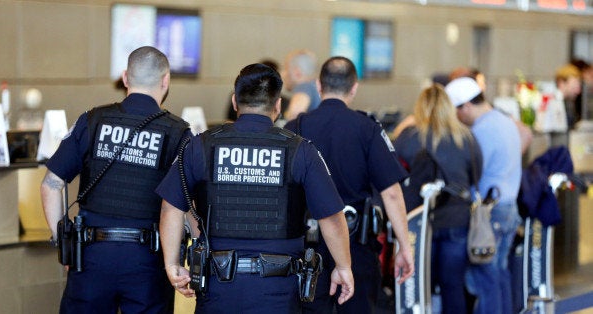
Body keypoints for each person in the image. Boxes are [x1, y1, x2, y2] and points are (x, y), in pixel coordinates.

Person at [156, 63, 354, 313]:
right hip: (278, 291)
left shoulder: (201, 146)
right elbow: (331, 216)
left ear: (234, 102)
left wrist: (172, 264)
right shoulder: (300, 150)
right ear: (278, 105)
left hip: (218, 287)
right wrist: (344, 267)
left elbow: (170, 207)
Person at [40, 46, 191, 313]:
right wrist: (176, 261)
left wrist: (63, 242)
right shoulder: (178, 132)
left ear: (125, 77)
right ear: (166, 80)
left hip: (91, 256)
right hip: (148, 259)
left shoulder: (92, 120)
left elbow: (51, 184)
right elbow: (184, 203)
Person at [285, 56, 414, 313]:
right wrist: (404, 245)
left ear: (319, 86)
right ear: (354, 88)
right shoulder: (368, 129)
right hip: (356, 249)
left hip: (305, 251)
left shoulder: (294, 127)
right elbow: (391, 193)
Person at [394, 84, 483, 313]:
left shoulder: (409, 138)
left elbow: (392, 174)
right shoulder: (466, 137)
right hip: (457, 220)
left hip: (420, 224)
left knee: (421, 286)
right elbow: (475, 177)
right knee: (453, 287)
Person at [445, 77, 522, 314]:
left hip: (489, 214)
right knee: (499, 275)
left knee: (483, 278)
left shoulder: (481, 132)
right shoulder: (505, 121)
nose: (456, 119)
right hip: (509, 207)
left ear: (465, 107)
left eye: (455, 112)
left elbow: (471, 173)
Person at [282, 49, 321, 121]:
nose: (283, 74)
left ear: (297, 73)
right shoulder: (316, 87)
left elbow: (294, 114)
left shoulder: (304, 87)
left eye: (286, 68)